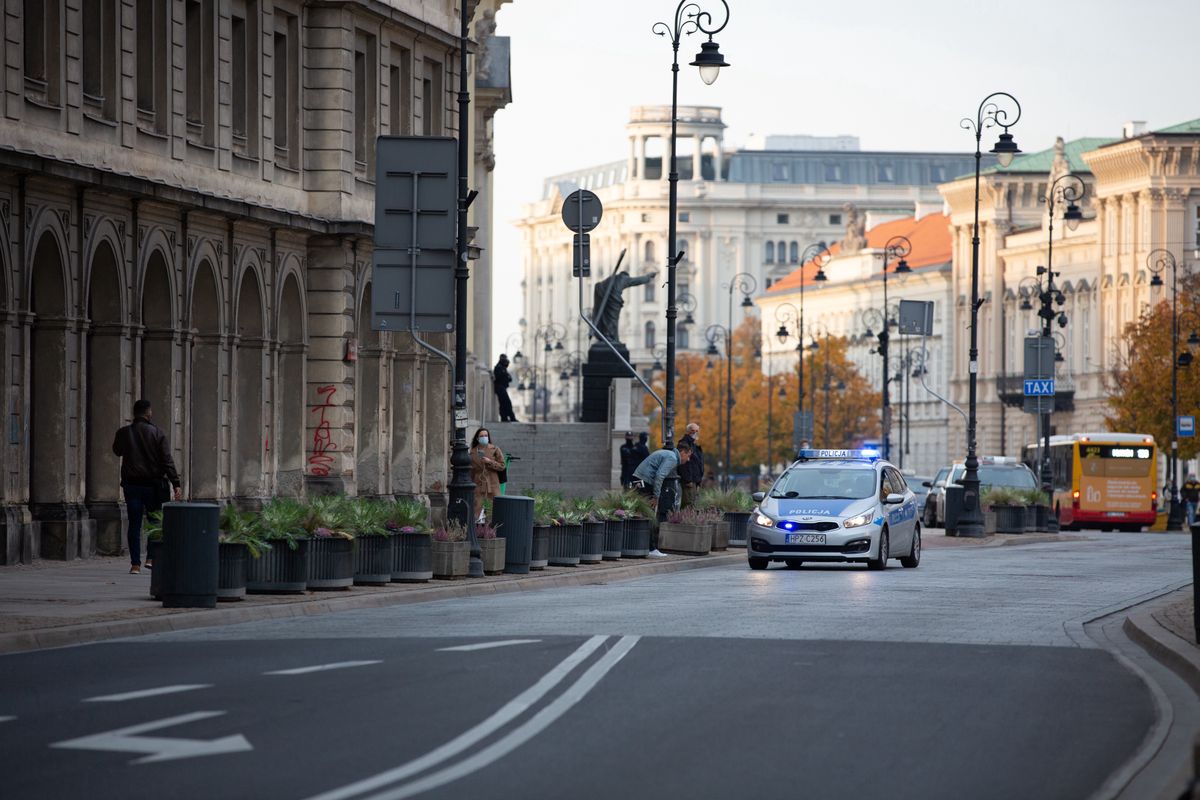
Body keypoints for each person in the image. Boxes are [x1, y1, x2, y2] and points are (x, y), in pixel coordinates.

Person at [112, 399, 182, 574]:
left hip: (132, 486)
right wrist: (176, 483)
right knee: (154, 523)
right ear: (149, 413)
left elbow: (117, 450)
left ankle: (135, 564)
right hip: (153, 486)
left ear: (134, 413)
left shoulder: (123, 433)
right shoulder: (158, 433)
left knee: (134, 524)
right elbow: (167, 461)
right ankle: (151, 558)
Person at [632, 441, 693, 557]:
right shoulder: (672, 458)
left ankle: (644, 546)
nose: (688, 459)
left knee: (641, 513)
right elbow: (660, 476)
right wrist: (656, 496)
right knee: (649, 515)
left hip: (639, 479)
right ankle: (651, 548)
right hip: (645, 481)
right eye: (688, 455)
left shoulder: (668, 454)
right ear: (682, 452)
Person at [469, 427, 505, 522]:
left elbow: (502, 466)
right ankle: (475, 531)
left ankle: (491, 532)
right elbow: (471, 470)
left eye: (486, 435)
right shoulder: (472, 452)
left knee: (493, 509)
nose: (484, 437)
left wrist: (490, 462)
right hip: (478, 483)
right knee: (476, 508)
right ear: (477, 438)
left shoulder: (495, 449)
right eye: (481, 436)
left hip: (492, 482)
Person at [678, 422, 704, 508]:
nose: (695, 433)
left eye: (697, 431)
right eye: (693, 431)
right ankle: (684, 521)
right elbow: (683, 464)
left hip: (695, 480)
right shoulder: (684, 444)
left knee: (692, 504)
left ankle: (687, 520)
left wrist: (699, 480)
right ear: (688, 431)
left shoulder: (693, 445)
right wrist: (688, 480)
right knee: (688, 503)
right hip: (689, 480)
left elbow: (698, 463)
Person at [493, 354, 518, 422]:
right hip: (500, 387)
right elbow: (501, 377)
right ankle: (509, 417)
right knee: (506, 403)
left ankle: (505, 418)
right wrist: (506, 377)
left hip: (502, 387)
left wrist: (506, 377)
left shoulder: (503, 368)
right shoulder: (498, 367)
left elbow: (509, 379)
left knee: (504, 403)